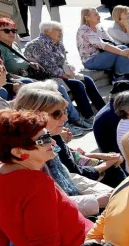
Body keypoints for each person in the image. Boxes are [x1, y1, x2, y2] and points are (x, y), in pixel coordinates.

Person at [0, 109, 92, 246]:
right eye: (42, 139)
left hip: (81, 242)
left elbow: (0, 230)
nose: (50, 140)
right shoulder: (35, 184)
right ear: (20, 152)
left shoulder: (2, 173)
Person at [11, 85, 114, 218]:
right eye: (57, 114)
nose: (65, 118)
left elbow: (68, 179)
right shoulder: (30, 153)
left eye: (64, 111)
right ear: (36, 115)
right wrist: (97, 201)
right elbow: (47, 208)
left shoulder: (48, 140)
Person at [23, 20, 107, 121]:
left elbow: (63, 62)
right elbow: (49, 67)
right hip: (46, 77)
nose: (61, 33)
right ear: (47, 31)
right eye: (58, 30)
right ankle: (88, 116)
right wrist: (65, 74)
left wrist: (70, 70)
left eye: (61, 30)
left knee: (87, 79)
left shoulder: (59, 43)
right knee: (77, 84)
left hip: (60, 74)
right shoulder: (37, 44)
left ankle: (103, 110)